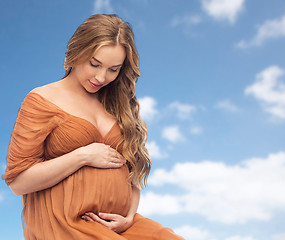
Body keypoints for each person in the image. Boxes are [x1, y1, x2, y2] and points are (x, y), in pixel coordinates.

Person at [3, 14, 184, 240]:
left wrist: (128, 216)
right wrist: (82, 156)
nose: (101, 77)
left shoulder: (117, 105)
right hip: (65, 222)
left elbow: (132, 174)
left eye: (113, 69)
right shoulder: (41, 99)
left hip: (119, 224)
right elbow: (18, 182)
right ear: (77, 52)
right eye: (94, 64)